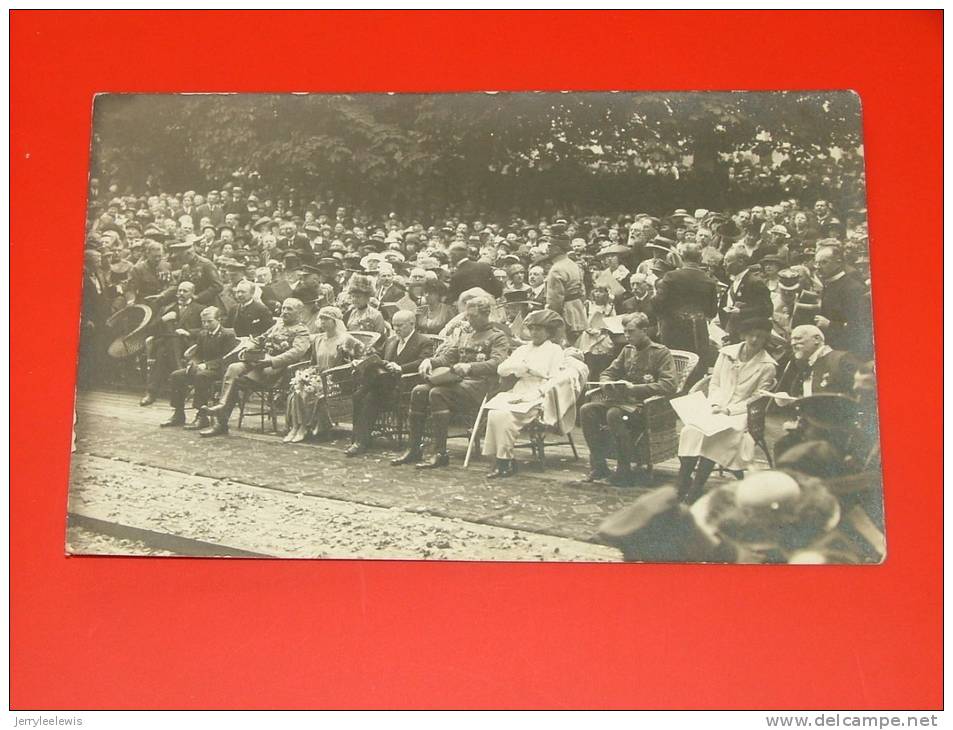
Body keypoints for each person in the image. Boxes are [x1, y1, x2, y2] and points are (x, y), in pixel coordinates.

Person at [392, 293, 510, 469]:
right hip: (456, 381)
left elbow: (498, 363)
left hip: (480, 386)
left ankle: (441, 453)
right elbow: (448, 357)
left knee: (437, 393)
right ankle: (414, 448)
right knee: (419, 391)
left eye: (473, 316)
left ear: (486, 314)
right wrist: (430, 361)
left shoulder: (497, 336)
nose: (468, 320)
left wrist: (471, 367)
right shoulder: (465, 334)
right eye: (467, 316)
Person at [676, 316, 778, 503]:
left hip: (741, 412)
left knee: (718, 435)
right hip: (715, 405)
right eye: (751, 335)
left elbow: (756, 398)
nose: (755, 340)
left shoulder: (768, 366)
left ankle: (696, 489)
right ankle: (682, 483)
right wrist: (715, 404)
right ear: (743, 334)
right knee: (690, 430)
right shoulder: (726, 353)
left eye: (760, 337)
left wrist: (729, 411)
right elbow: (714, 382)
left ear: (766, 339)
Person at [579, 312, 678, 486]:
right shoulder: (627, 351)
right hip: (622, 402)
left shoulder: (661, 353)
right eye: (624, 332)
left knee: (613, 414)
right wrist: (607, 383)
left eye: (631, 331)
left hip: (646, 407)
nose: (626, 336)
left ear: (644, 330)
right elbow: (608, 372)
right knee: (587, 410)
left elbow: (669, 385)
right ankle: (600, 466)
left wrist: (636, 389)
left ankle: (624, 469)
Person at [199, 298, 311, 437]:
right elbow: (262, 338)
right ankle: (221, 406)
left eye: (289, 309)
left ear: (299, 312)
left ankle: (220, 422)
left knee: (236, 382)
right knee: (234, 368)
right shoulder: (278, 325)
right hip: (259, 361)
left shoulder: (302, 331)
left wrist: (271, 361)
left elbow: (295, 353)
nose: (285, 312)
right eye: (283, 308)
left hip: (275, 368)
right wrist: (250, 346)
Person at [481, 309, 568, 478]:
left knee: (504, 416)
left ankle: (504, 461)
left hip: (540, 393)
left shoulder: (555, 350)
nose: (534, 333)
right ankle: (500, 460)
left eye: (539, 329)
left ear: (548, 331)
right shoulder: (523, 349)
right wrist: (517, 368)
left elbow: (555, 378)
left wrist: (531, 371)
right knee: (494, 413)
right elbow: (502, 369)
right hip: (519, 389)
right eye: (532, 329)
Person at [347, 310, 434, 456]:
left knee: (370, 397)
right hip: (384, 384)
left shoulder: (424, 342)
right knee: (358, 395)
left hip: (406, 386)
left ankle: (361, 442)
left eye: (400, 325)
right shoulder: (391, 340)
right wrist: (362, 361)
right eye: (394, 326)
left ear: (412, 324)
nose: (396, 329)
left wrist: (400, 368)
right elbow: (378, 356)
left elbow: (423, 361)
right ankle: (358, 437)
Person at [285, 306, 365, 443]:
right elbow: (313, 362)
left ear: (335, 321)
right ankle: (297, 427)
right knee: (298, 390)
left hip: (337, 381)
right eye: (321, 318)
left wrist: (350, 367)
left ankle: (304, 427)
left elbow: (361, 355)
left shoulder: (346, 339)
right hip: (319, 377)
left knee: (311, 391)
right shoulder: (318, 339)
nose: (322, 321)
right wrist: (308, 375)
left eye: (326, 318)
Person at [159, 306, 237, 430]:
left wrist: (206, 365)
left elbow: (227, 359)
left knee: (201, 376)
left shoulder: (228, 335)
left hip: (220, 370)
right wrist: (193, 363)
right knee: (176, 375)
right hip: (204, 369)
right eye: (203, 321)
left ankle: (202, 416)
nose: (206, 324)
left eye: (209, 321)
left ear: (219, 320)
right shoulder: (203, 334)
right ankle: (178, 413)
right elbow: (198, 354)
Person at [141, 281, 203, 406]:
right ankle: (179, 372)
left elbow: (205, 329)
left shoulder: (200, 309)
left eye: (185, 291)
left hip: (187, 345)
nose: (181, 293)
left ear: (192, 293)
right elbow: (151, 329)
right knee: (168, 345)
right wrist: (163, 319)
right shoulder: (167, 308)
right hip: (168, 343)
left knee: (162, 353)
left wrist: (188, 332)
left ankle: (151, 393)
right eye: (179, 290)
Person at [652, 242, 718, 357]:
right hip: (698, 331)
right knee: (697, 364)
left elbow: (658, 304)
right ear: (700, 258)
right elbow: (712, 311)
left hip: (672, 329)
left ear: (681, 257)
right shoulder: (709, 281)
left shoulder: (670, 276)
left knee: (673, 364)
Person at [814, 245, 872, 357]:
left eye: (823, 262)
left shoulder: (853, 288)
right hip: (831, 348)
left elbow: (861, 327)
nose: (818, 267)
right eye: (817, 263)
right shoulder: (829, 285)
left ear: (838, 262)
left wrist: (830, 325)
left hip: (847, 351)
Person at [544, 230, 587, 343]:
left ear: (557, 249)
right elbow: (582, 292)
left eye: (549, 246)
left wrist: (550, 319)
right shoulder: (573, 264)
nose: (547, 249)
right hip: (578, 311)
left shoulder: (556, 269)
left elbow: (555, 301)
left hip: (565, 314)